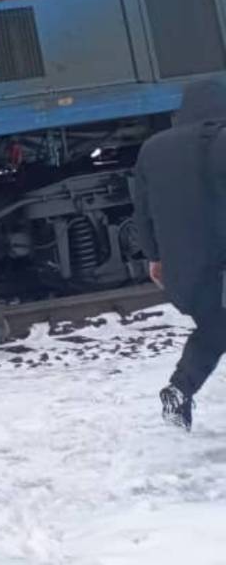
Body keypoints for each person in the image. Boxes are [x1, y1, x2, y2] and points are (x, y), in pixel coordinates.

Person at [132, 74, 226, 431]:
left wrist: (155, 258)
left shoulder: (152, 149)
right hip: (221, 263)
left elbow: (142, 211)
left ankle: (179, 390)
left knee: (216, 329)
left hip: (184, 270)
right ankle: (179, 389)